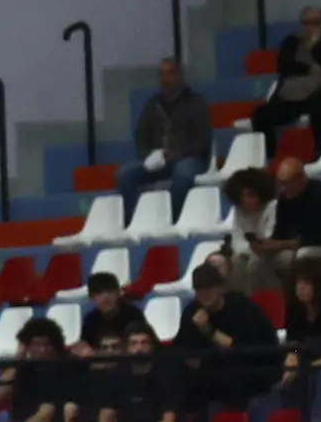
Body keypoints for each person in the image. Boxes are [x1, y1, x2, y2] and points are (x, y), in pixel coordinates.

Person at [174, 262, 281, 422]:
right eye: (199, 291)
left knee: (232, 379)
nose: (204, 295)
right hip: (211, 377)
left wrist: (209, 331)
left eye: (209, 289)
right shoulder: (192, 312)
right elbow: (184, 352)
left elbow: (244, 350)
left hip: (250, 370)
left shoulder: (242, 307)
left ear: (220, 288)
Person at [115, 57, 213, 220]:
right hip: (158, 160)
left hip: (190, 157)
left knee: (183, 174)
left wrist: (178, 153)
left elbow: (203, 140)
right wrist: (149, 155)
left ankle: (172, 218)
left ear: (179, 76)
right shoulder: (152, 105)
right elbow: (140, 134)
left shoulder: (197, 103)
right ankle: (133, 220)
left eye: (169, 74)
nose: (164, 79)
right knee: (124, 174)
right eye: (161, 75)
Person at [73, 324, 177, 422]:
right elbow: (106, 416)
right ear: (126, 348)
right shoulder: (116, 375)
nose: (139, 349)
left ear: (152, 346)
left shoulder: (165, 375)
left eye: (144, 343)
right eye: (133, 344)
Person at [277, 252, 321, 422]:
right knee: (283, 380)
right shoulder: (295, 309)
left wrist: (303, 366)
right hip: (306, 363)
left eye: (307, 283)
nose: (301, 288)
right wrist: (293, 356)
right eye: (298, 282)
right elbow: (294, 341)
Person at [250, 6, 321, 137]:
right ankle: (269, 154)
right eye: (307, 23)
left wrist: (316, 46)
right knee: (260, 115)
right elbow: (285, 67)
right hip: (289, 97)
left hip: (318, 95)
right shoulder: (290, 43)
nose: (311, 27)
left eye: (316, 23)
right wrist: (309, 65)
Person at [270, 154, 321, 281]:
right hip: (297, 246)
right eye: (280, 183)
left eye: (286, 183)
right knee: (259, 261)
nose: (283, 188)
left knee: (303, 255)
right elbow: (280, 232)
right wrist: (267, 245)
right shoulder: (284, 198)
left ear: (301, 179)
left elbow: (320, 236)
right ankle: (269, 295)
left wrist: (283, 244)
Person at [223, 164, 283, 293]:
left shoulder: (273, 207)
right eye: (243, 196)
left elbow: (269, 237)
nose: (246, 200)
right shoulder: (239, 211)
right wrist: (251, 249)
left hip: (273, 253)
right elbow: (237, 242)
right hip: (251, 253)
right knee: (234, 263)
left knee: (255, 264)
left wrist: (255, 249)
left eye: (250, 196)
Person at [76, 271, 145, 351]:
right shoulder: (90, 320)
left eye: (110, 291)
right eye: (99, 292)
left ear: (118, 293)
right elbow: (87, 346)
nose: (106, 296)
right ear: (91, 297)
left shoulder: (133, 315)